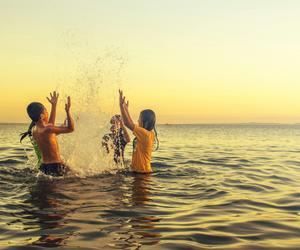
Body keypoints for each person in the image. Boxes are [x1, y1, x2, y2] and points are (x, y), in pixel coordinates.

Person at [20, 91, 74, 176]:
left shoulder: (34, 130)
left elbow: (50, 126)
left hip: (44, 167)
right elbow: (71, 129)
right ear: (42, 116)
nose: (47, 112)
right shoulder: (48, 129)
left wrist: (54, 106)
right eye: (46, 111)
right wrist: (68, 111)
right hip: (56, 166)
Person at [118, 90, 159, 173]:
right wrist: (125, 109)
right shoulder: (147, 134)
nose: (138, 120)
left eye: (139, 119)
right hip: (140, 173)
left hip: (142, 174)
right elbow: (130, 122)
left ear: (145, 122)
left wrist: (121, 106)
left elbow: (127, 123)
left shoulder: (145, 134)